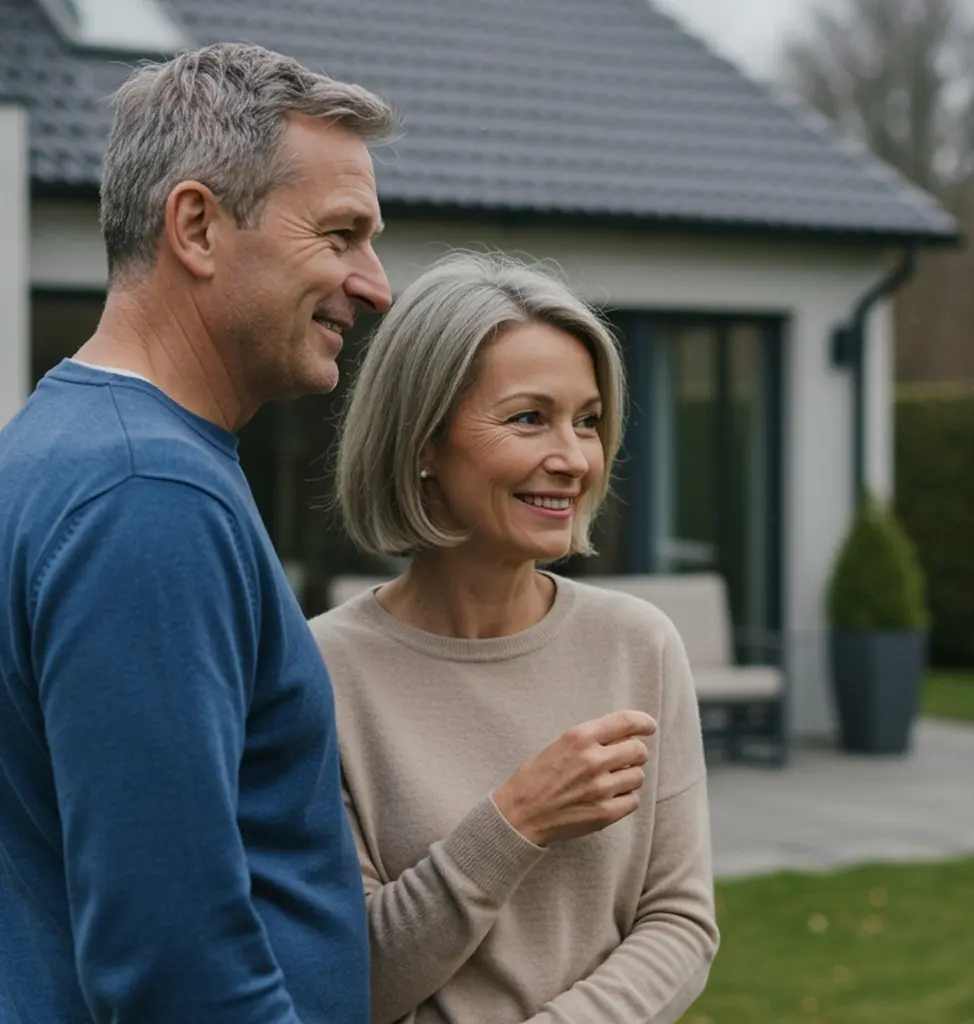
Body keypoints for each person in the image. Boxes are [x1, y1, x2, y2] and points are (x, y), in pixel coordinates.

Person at [0, 43, 393, 1023]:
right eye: (340, 235)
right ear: (198, 226)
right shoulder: (146, 490)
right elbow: (174, 965)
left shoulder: (66, 440)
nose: (374, 283)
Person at [310, 253, 720, 1024]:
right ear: (422, 442)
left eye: (588, 420)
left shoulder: (639, 647)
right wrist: (515, 821)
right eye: (530, 417)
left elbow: (681, 924)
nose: (573, 459)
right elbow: (351, 982)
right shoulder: (320, 672)